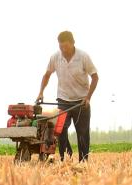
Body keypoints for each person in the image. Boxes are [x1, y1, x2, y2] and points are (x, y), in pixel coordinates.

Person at [36, 31, 98, 162]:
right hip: (63, 100)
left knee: (82, 134)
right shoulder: (55, 57)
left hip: (81, 102)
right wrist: (41, 92)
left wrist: (88, 97)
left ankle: (83, 162)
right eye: (61, 47)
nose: (63, 50)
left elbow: (95, 77)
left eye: (66, 47)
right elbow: (47, 75)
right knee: (60, 129)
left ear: (73, 43)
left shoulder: (83, 57)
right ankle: (63, 159)